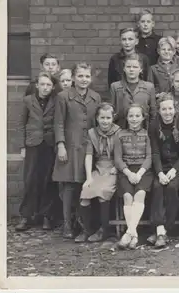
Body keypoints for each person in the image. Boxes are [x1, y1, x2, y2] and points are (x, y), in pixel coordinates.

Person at [52, 62, 102, 239]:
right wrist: (60, 145)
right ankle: (67, 223)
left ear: (91, 78)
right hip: (70, 146)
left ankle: (84, 223)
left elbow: (98, 124)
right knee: (68, 186)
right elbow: (58, 122)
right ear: (73, 78)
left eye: (87, 76)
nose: (83, 79)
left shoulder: (95, 97)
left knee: (86, 184)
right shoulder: (63, 97)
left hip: (89, 146)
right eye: (80, 76)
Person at [15, 72, 59, 232]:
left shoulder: (56, 100)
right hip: (32, 144)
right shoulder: (28, 101)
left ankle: (46, 215)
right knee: (30, 180)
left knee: (48, 180)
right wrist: (22, 146)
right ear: (37, 85)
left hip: (49, 144)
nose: (45, 87)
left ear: (53, 87)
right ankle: (26, 216)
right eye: (43, 84)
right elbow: (21, 124)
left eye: (48, 85)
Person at [75, 103, 121, 243]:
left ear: (113, 118)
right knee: (85, 194)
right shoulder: (92, 133)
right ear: (97, 118)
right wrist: (89, 177)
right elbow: (89, 155)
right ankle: (86, 229)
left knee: (103, 194)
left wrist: (117, 167)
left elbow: (122, 154)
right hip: (99, 168)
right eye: (102, 118)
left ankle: (104, 230)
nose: (105, 121)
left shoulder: (119, 132)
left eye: (108, 118)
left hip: (114, 168)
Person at [147, 94, 179, 248]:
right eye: (164, 109)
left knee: (171, 188)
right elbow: (155, 152)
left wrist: (174, 171)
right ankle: (159, 229)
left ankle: (165, 228)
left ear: (175, 109)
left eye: (170, 108)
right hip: (160, 166)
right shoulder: (154, 125)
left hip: (177, 166)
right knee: (157, 187)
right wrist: (160, 172)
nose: (167, 112)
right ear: (159, 110)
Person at [114, 104, 153, 249]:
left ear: (143, 117)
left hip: (143, 170)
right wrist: (128, 173)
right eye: (131, 116)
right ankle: (134, 234)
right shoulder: (120, 135)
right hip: (126, 170)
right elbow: (118, 159)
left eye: (137, 116)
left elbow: (149, 157)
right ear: (127, 118)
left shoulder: (147, 134)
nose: (134, 119)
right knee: (127, 197)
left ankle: (129, 233)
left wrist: (140, 173)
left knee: (140, 194)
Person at [110, 53, 157, 130]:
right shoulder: (115, 86)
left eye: (135, 67)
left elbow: (153, 113)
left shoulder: (149, 87)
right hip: (120, 129)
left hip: (143, 130)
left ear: (141, 69)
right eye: (128, 67)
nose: (131, 69)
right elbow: (112, 112)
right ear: (124, 69)